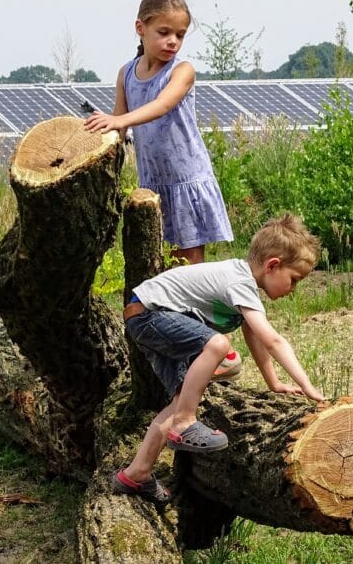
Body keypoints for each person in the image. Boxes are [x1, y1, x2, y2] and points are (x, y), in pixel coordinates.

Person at [110, 213, 326, 504]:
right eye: (294, 280)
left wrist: (274, 383)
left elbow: (256, 339)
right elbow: (273, 340)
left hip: (146, 317)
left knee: (180, 397)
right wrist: (310, 388)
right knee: (218, 345)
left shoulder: (244, 287)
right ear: (273, 265)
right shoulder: (239, 281)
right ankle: (186, 423)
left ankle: (137, 472)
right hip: (151, 314)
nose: (293, 290)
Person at [83, 0, 240, 380]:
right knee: (159, 272)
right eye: (164, 32)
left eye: (180, 34)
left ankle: (219, 355)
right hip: (153, 190)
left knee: (191, 272)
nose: (172, 42)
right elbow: (118, 128)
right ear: (141, 28)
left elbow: (163, 106)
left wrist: (120, 121)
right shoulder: (126, 74)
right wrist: (98, 140)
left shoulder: (181, 71)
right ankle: (182, 351)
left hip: (186, 183)